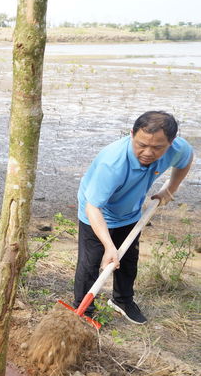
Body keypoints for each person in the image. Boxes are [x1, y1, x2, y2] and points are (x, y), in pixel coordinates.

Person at [74, 111, 194, 324]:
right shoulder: (112, 164)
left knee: (128, 260)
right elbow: (94, 208)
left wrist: (170, 189)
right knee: (91, 262)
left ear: (171, 142)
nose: (147, 152)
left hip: (130, 210)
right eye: (141, 144)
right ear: (132, 134)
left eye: (157, 147)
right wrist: (109, 246)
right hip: (96, 210)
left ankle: (122, 300)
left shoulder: (177, 148)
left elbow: (186, 159)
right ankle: (83, 312)